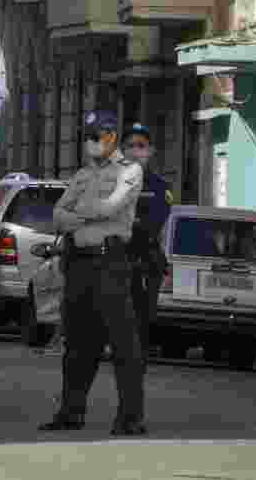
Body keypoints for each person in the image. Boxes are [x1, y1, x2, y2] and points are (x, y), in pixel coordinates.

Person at [41, 110, 146, 435]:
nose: (91, 141)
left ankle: (130, 417)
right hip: (79, 262)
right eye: (88, 135)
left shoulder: (130, 171)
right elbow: (57, 215)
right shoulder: (83, 174)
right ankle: (71, 412)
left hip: (109, 261)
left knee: (122, 343)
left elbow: (111, 207)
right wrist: (80, 217)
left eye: (96, 135)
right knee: (77, 343)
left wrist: (78, 214)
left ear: (112, 135)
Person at [121, 123, 172, 361]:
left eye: (141, 146)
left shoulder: (160, 186)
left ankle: (141, 342)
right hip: (114, 250)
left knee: (145, 301)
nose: (135, 151)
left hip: (143, 251)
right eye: (130, 146)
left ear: (150, 151)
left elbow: (159, 219)